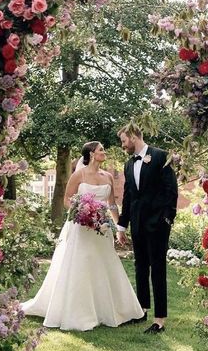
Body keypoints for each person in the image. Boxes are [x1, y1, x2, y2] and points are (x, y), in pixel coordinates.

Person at [22, 141, 144, 331]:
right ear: (91, 154)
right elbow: (67, 199)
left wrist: (119, 227)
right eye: (101, 150)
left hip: (101, 228)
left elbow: (111, 205)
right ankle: (78, 311)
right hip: (80, 227)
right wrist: (82, 212)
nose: (104, 152)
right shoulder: (78, 175)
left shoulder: (109, 177)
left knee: (104, 264)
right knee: (80, 264)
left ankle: (110, 309)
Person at [117, 123, 178, 334]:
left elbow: (171, 191)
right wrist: (122, 225)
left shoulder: (161, 156)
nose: (122, 145)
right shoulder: (128, 164)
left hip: (158, 223)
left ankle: (159, 319)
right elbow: (128, 196)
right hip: (137, 222)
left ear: (134, 137)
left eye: (124, 141)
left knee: (158, 269)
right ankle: (141, 309)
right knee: (140, 266)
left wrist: (167, 219)